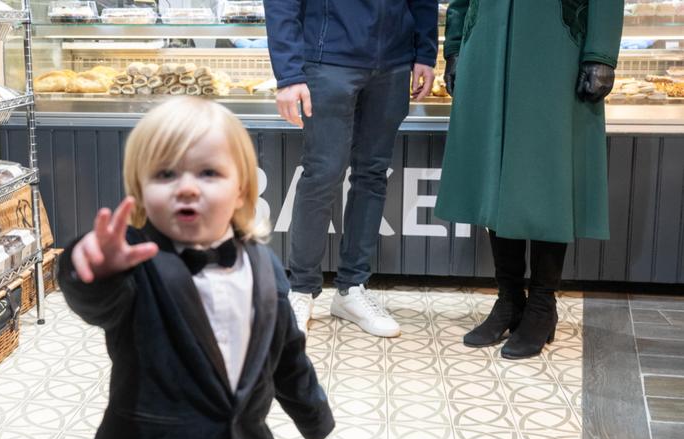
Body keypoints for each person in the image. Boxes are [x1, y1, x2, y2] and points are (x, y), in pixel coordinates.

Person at [57, 97, 334, 439]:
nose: (186, 187)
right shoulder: (135, 264)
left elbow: (287, 354)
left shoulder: (264, 266)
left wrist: (314, 414)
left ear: (242, 192)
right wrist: (92, 268)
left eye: (208, 173)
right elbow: (97, 301)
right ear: (141, 191)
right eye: (165, 174)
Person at [436, 0, 624, 359]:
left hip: (555, 45)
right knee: (495, 169)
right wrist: (457, 46)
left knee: (547, 172)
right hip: (488, 46)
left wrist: (600, 53)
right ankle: (509, 300)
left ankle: (541, 304)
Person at [265, 0, 439, 338]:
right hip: (327, 58)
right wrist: (288, 73)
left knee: (372, 174)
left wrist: (425, 51)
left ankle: (351, 288)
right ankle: (301, 290)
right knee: (323, 173)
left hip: (393, 61)